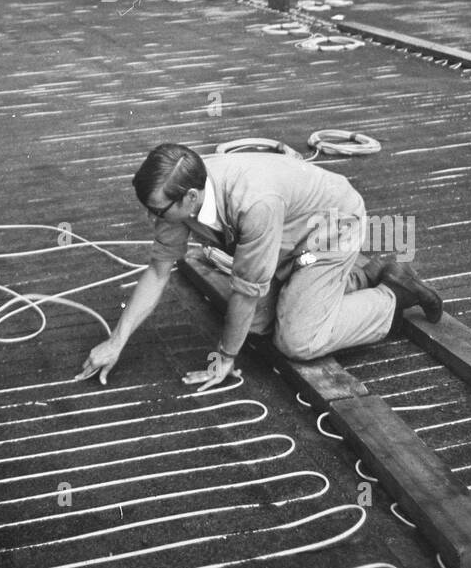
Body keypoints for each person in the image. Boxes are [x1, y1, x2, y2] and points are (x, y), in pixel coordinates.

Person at [78, 143, 441, 389]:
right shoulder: (179, 196)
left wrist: (224, 357)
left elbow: (245, 292)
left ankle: (391, 296)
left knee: (296, 340)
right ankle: (363, 274)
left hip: (332, 228)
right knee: (257, 324)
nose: (151, 217)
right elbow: (158, 271)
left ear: (190, 197)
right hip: (288, 239)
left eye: (157, 211)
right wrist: (116, 341)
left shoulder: (253, 203)